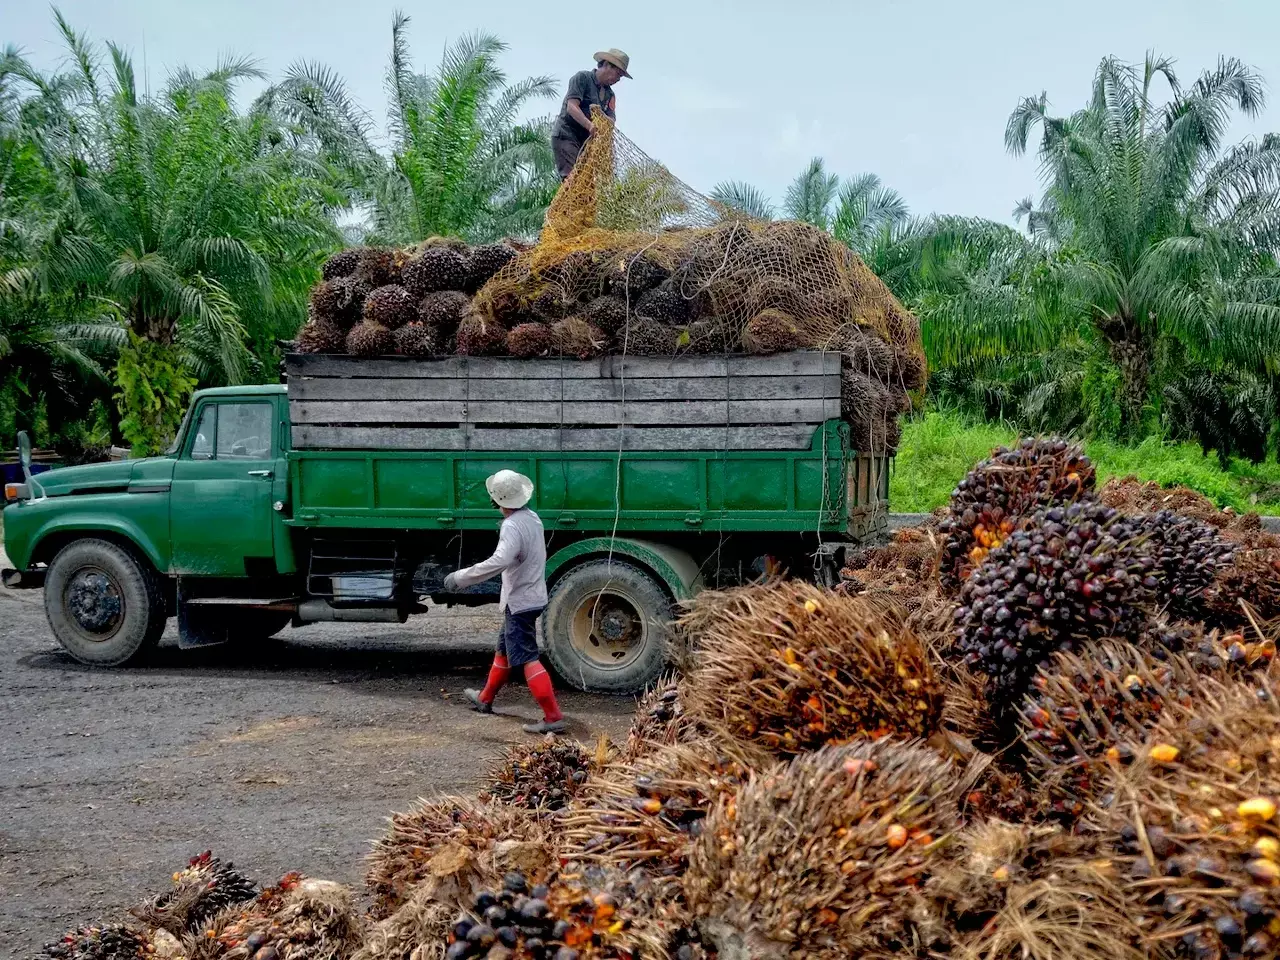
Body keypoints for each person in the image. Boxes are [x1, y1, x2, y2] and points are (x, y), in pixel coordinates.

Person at [443, 469, 566, 734]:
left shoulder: (511, 526)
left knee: (527, 658)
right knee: (504, 650)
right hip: (531, 596)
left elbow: (499, 561)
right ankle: (485, 698)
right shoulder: (532, 518)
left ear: (496, 501)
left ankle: (553, 716)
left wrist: (461, 577)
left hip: (520, 601)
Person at [551, 48, 632, 181]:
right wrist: (590, 125)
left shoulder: (609, 95)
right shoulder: (582, 78)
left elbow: (611, 120)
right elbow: (572, 107)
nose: (618, 79)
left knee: (587, 184)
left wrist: (601, 117)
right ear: (606, 65)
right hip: (567, 135)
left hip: (586, 142)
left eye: (620, 77)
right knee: (572, 180)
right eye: (617, 74)